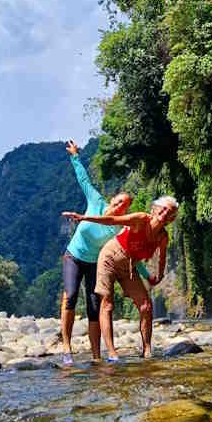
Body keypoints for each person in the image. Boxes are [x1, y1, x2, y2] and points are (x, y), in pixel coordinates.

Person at [60, 140, 147, 365]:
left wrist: (147, 275)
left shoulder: (120, 228)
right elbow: (84, 180)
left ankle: (96, 356)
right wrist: (75, 156)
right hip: (73, 256)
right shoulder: (96, 201)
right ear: (112, 200)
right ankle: (67, 348)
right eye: (118, 202)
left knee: (93, 307)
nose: (120, 207)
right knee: (70, 296)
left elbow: (130, 254)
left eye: (124, 206)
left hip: (95, 264)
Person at [62, 196, 179, 361]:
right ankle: (112, 353)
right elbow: (112, 220)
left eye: (170, 212)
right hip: (109, 257)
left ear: (171, 219)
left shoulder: (162, 236)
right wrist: (83, 217)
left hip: (129, 266)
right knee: (107, 304)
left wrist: (158, 277)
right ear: (155, 208)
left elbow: (162, 257)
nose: (165, 213)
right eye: (164, 208)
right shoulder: (140, 219)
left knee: (146, 306)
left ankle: (147, 350)